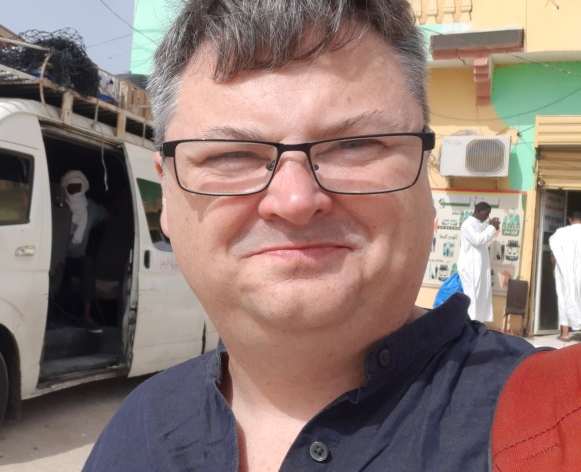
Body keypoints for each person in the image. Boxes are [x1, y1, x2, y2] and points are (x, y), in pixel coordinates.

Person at [83, 1, 543, 470]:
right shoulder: (134, 434)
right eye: (230, 156)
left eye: (355, 146)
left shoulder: (554, 427)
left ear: (425, 170)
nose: (296, 200)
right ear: (167, 192)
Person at [59, 170, 108, 334]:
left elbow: (106, 215)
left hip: (78, 258)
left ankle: (86, 316)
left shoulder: (91, 208)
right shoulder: (60, 205)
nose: (74, 190)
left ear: (84, 188)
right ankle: (55, 316)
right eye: (71, 187)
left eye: (77, 187)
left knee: (88, 265)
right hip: (59, 257)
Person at [457, 202, 501, 322]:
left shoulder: (479, 225)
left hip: (479, 268)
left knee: (481, 296)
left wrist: (492, 228)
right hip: (470, 268)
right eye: (486, 214)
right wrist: (491, 228)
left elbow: (483, 239)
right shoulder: (467, 224)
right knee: (472, 296)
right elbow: (477, 240)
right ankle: (471, 324)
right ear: (478, 212)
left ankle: (478, 323)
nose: (487, 217)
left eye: (489, 214)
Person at [549, 211, 581, 342]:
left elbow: (553, 256)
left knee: (564, 300)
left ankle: (565, 334)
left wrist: (554, 271)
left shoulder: (560, 233)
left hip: (564, 274)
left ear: (570, 219)